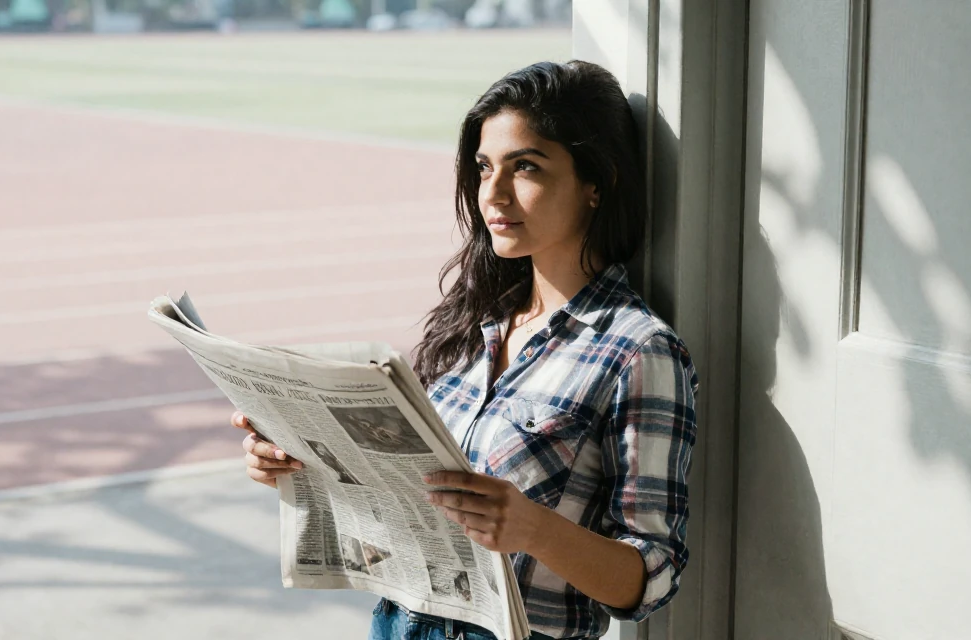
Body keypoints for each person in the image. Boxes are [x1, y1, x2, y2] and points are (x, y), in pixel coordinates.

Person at [234, 60, 699, 640]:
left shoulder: (638, 351)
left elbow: (653, 574)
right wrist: (299, 462)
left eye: (525, 167)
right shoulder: (475, 324)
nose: (494, 194)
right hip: (397, 622)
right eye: (484, 168)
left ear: (594, 183)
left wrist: (534, 530)